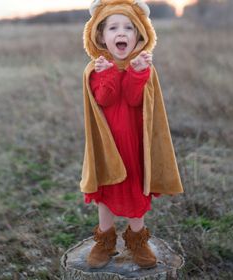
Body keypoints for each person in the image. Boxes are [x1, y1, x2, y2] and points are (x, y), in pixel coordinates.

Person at [80, 0, 184, 269]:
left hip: (134, 148)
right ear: (101, 36)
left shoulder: (144, 68)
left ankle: (138, 242)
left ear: (140, 35)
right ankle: (105, 241)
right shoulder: (96, 68)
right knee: (106, 195)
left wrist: (137, 73)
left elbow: (134, 98)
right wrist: (110, 73)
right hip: (107, 148)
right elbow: (104, 98)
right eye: (113, 27)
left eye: (129, 27)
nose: (121, 32)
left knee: (135, 196)